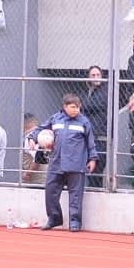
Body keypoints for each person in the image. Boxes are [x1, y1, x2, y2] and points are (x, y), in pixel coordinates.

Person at [41, 93, 98, 231]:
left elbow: (91, 143)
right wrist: (33, 138)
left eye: (78, 107)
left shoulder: (84, 122)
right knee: (50, 192)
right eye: (73, 107)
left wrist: (93, 159)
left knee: (75, 195)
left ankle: (75, 222)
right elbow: (40, 129)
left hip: (76, 164)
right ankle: (54, 219)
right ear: (65, 106)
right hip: (56, 163)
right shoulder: (55, 118)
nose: (76, 110)